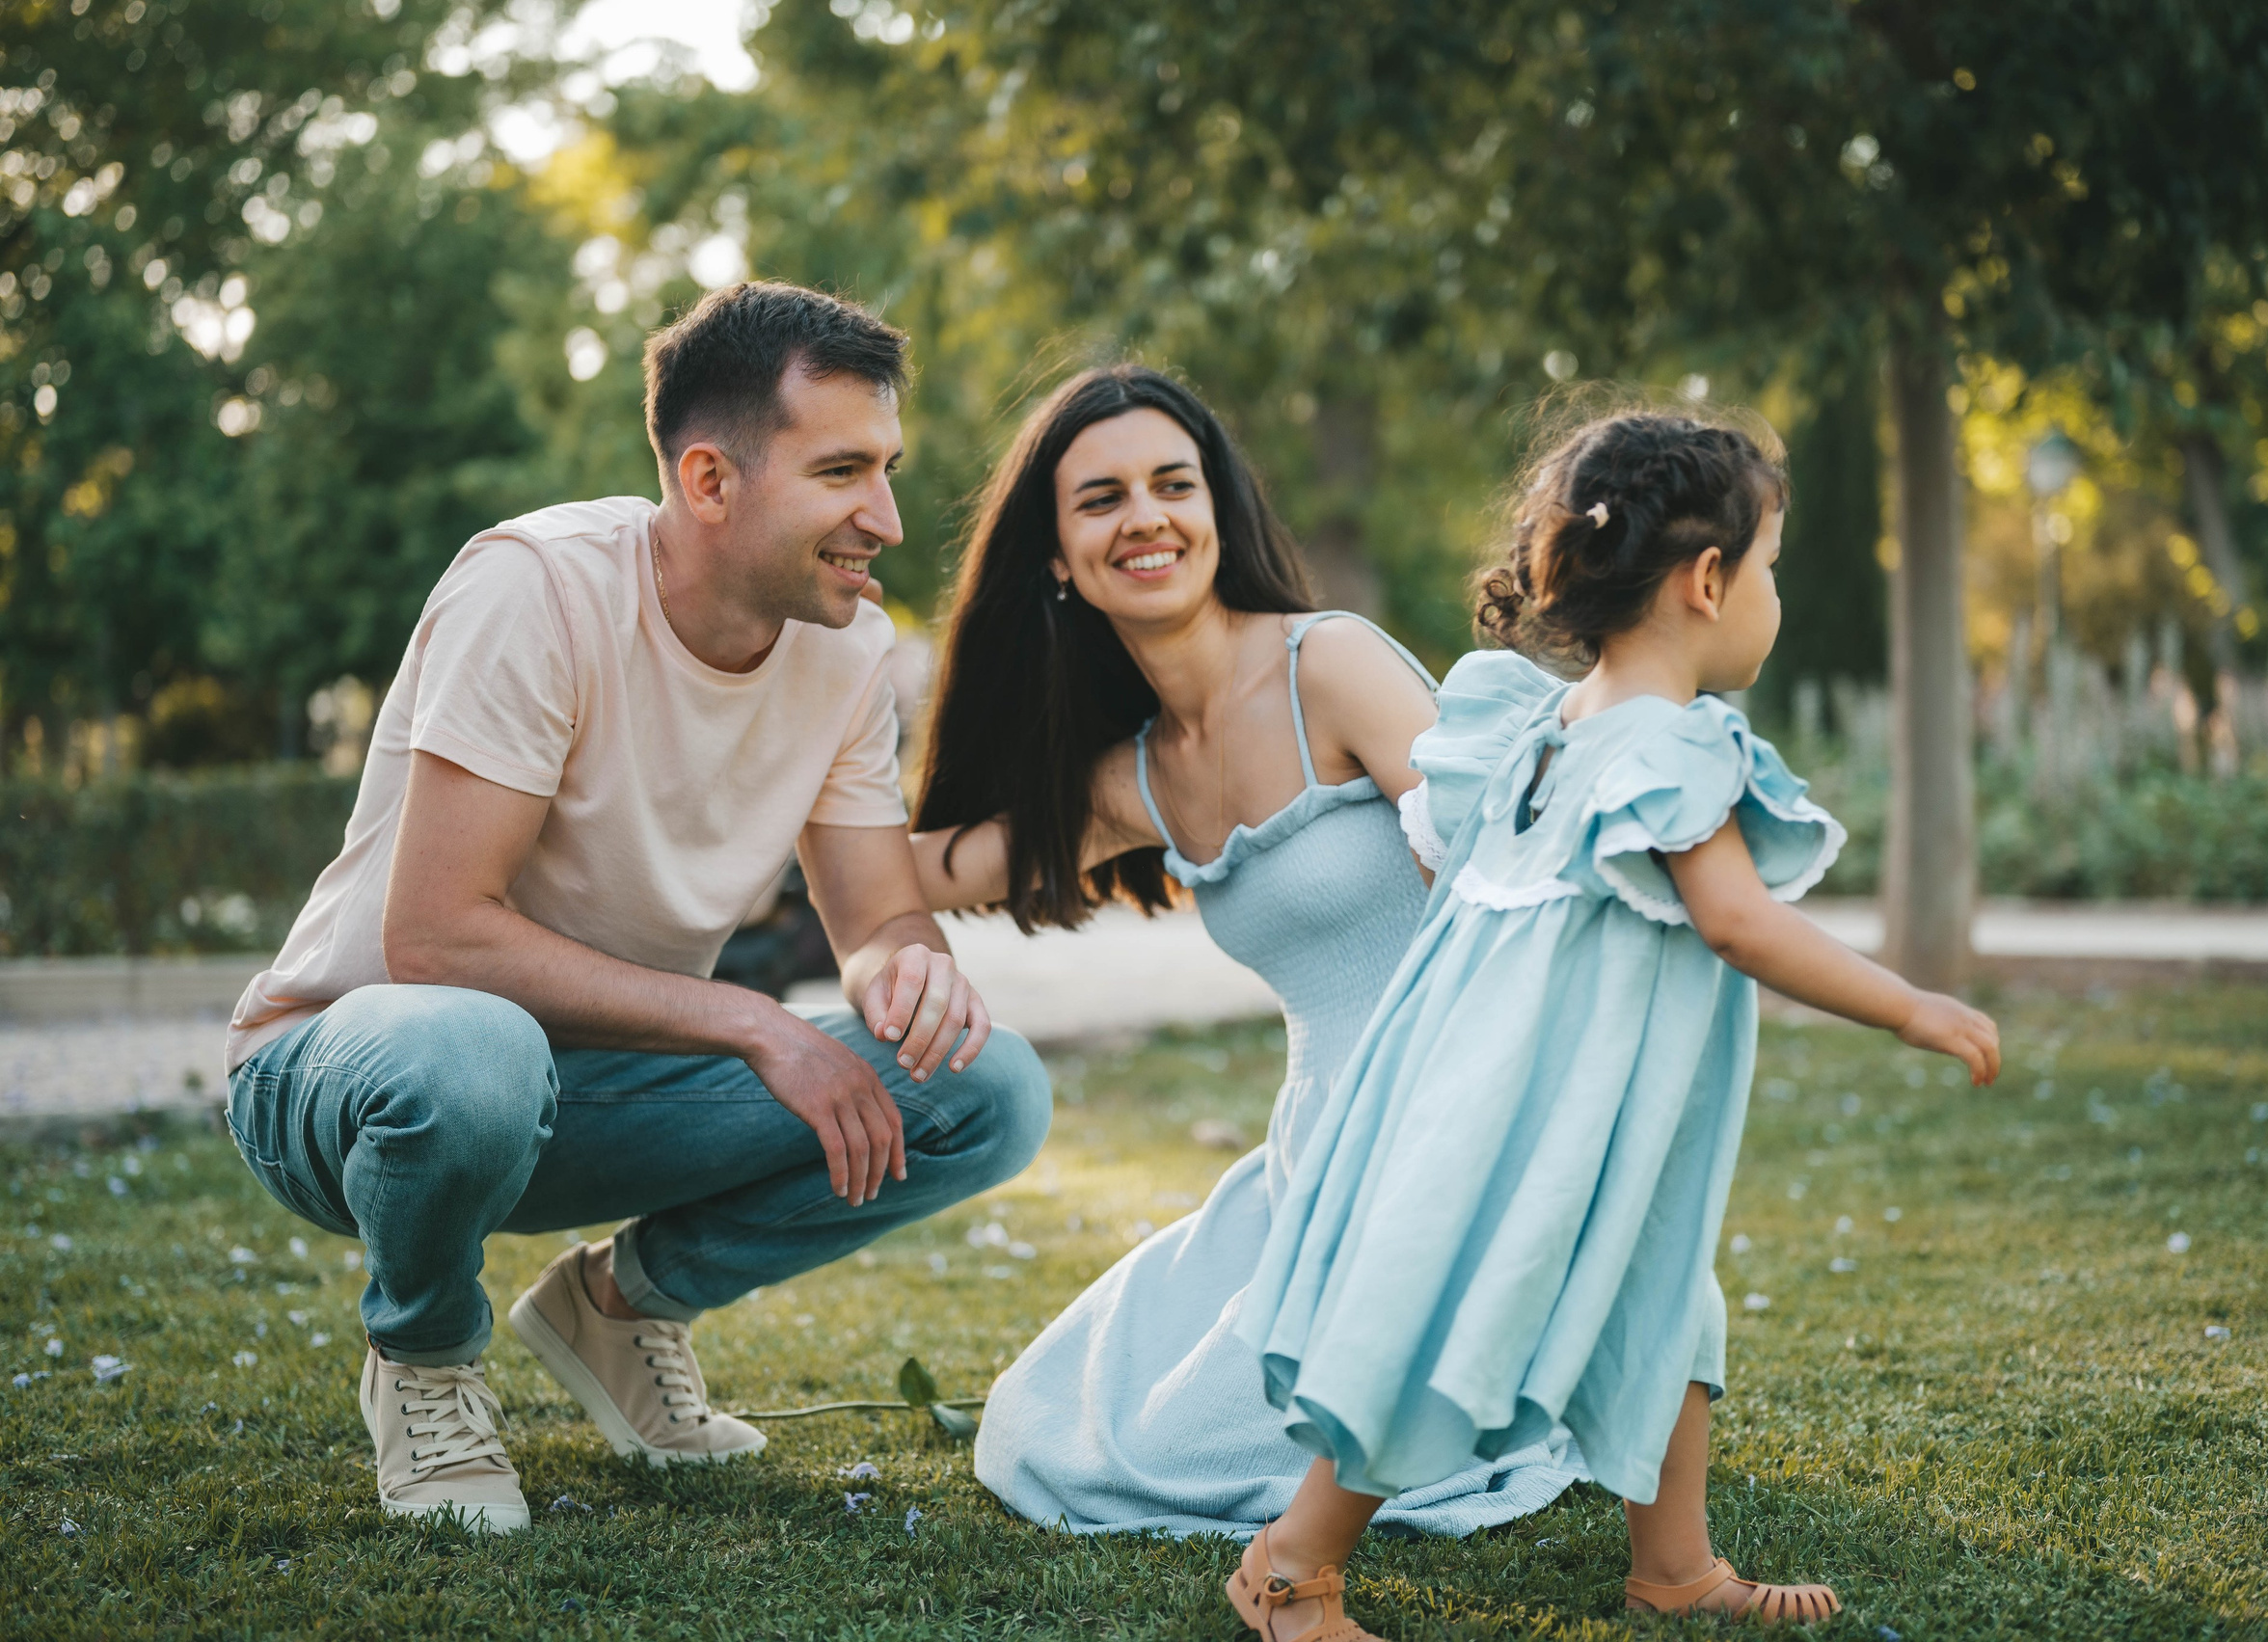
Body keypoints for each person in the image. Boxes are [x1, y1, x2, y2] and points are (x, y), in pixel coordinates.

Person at [221, 282, 1051, 1535]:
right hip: (352, 1076)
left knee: (988, 1086)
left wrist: (906, 973)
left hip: (595, 1090)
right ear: (710, 480)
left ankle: (615, 1308)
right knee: (473, 1045)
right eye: (841, 472)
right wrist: (755, 1022)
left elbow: (881, 916)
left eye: (885, 467)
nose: (883, 515)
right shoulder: (534, 590)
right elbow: (439, 936)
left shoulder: (845, 649)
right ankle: (427, 1357)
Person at [1224, 407, 2003, 1638]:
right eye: (1772, 567)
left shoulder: (1533, 727)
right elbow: (1740, 923)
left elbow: (1469, 884)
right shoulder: (1670, 748)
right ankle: (1287, 1565)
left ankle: (1677, 1565)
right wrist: (1909, 1003)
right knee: (1446, 1306)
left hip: (1553, 1097)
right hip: (1538, 1112)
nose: (1773, 592)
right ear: (1706, 580)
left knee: (1667, 1289)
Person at [907, 363, 1581, 1536]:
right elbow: (918, 868)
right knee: (1049, 1421)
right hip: (1308, 1160)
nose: (1148, 516)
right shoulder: (1136, 775)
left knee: (1187, 1446)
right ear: (1057, 557)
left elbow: (1502, 896)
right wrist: (791, 730)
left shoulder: (1330, 665)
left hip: (1448, 1135)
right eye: (1102, 497)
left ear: (1216, 511)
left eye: (1175, 483)